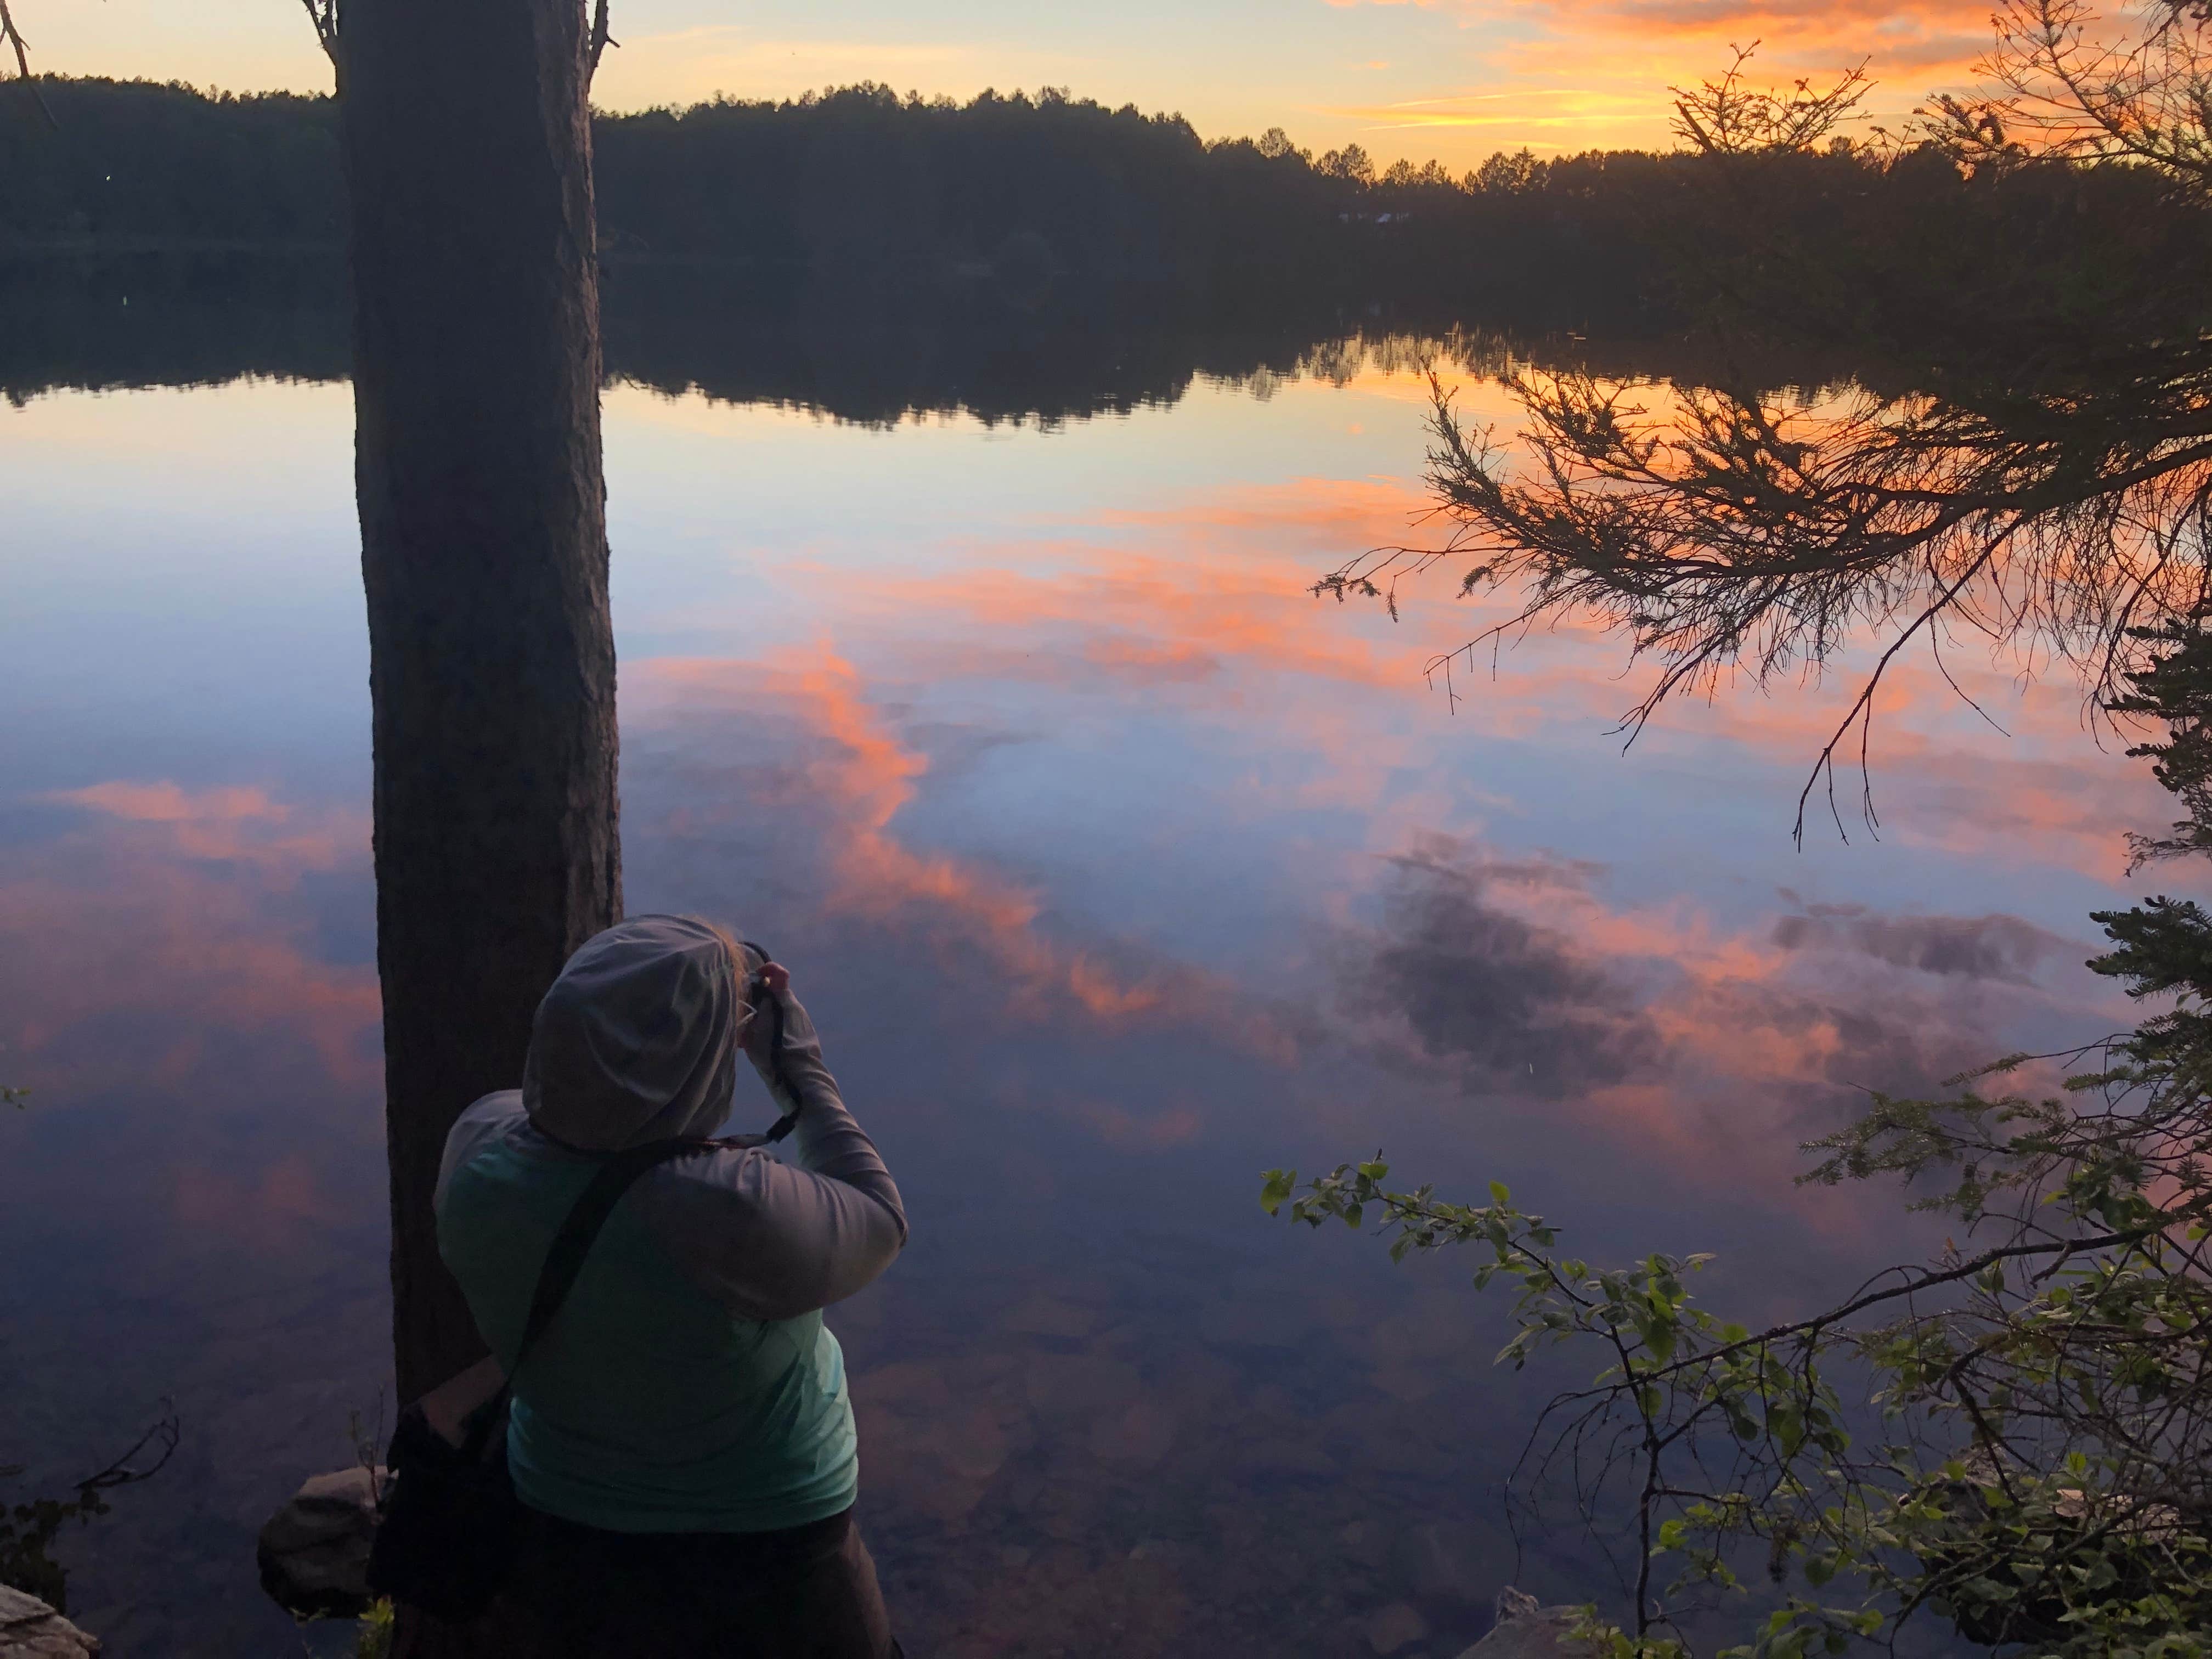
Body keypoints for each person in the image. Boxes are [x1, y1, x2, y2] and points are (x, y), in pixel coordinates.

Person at [433, 913, 907, 1657]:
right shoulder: (726, 1207)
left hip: (562, 1521)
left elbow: (575, 1108)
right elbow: (878, 1222)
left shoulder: (477, 1155)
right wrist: (796, 1066)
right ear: (693, 1062)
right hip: (771, 1544)